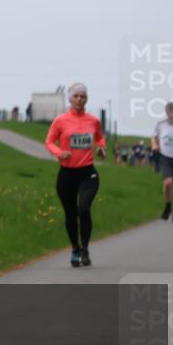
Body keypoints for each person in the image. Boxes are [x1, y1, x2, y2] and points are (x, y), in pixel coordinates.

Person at [44, 83, 106, 267]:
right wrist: (59, 152)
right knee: (71, 214)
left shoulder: (93, 121)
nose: (79, 99)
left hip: (88, 173)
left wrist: (102, 148)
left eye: (83, 96)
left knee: (84, 209)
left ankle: (85, 248)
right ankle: (75, 249)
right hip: (67, 175)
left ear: (86, 99)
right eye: (76, 96)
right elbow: (49, 142)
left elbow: (100, 137)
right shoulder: (60, 121)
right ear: (70, 99)